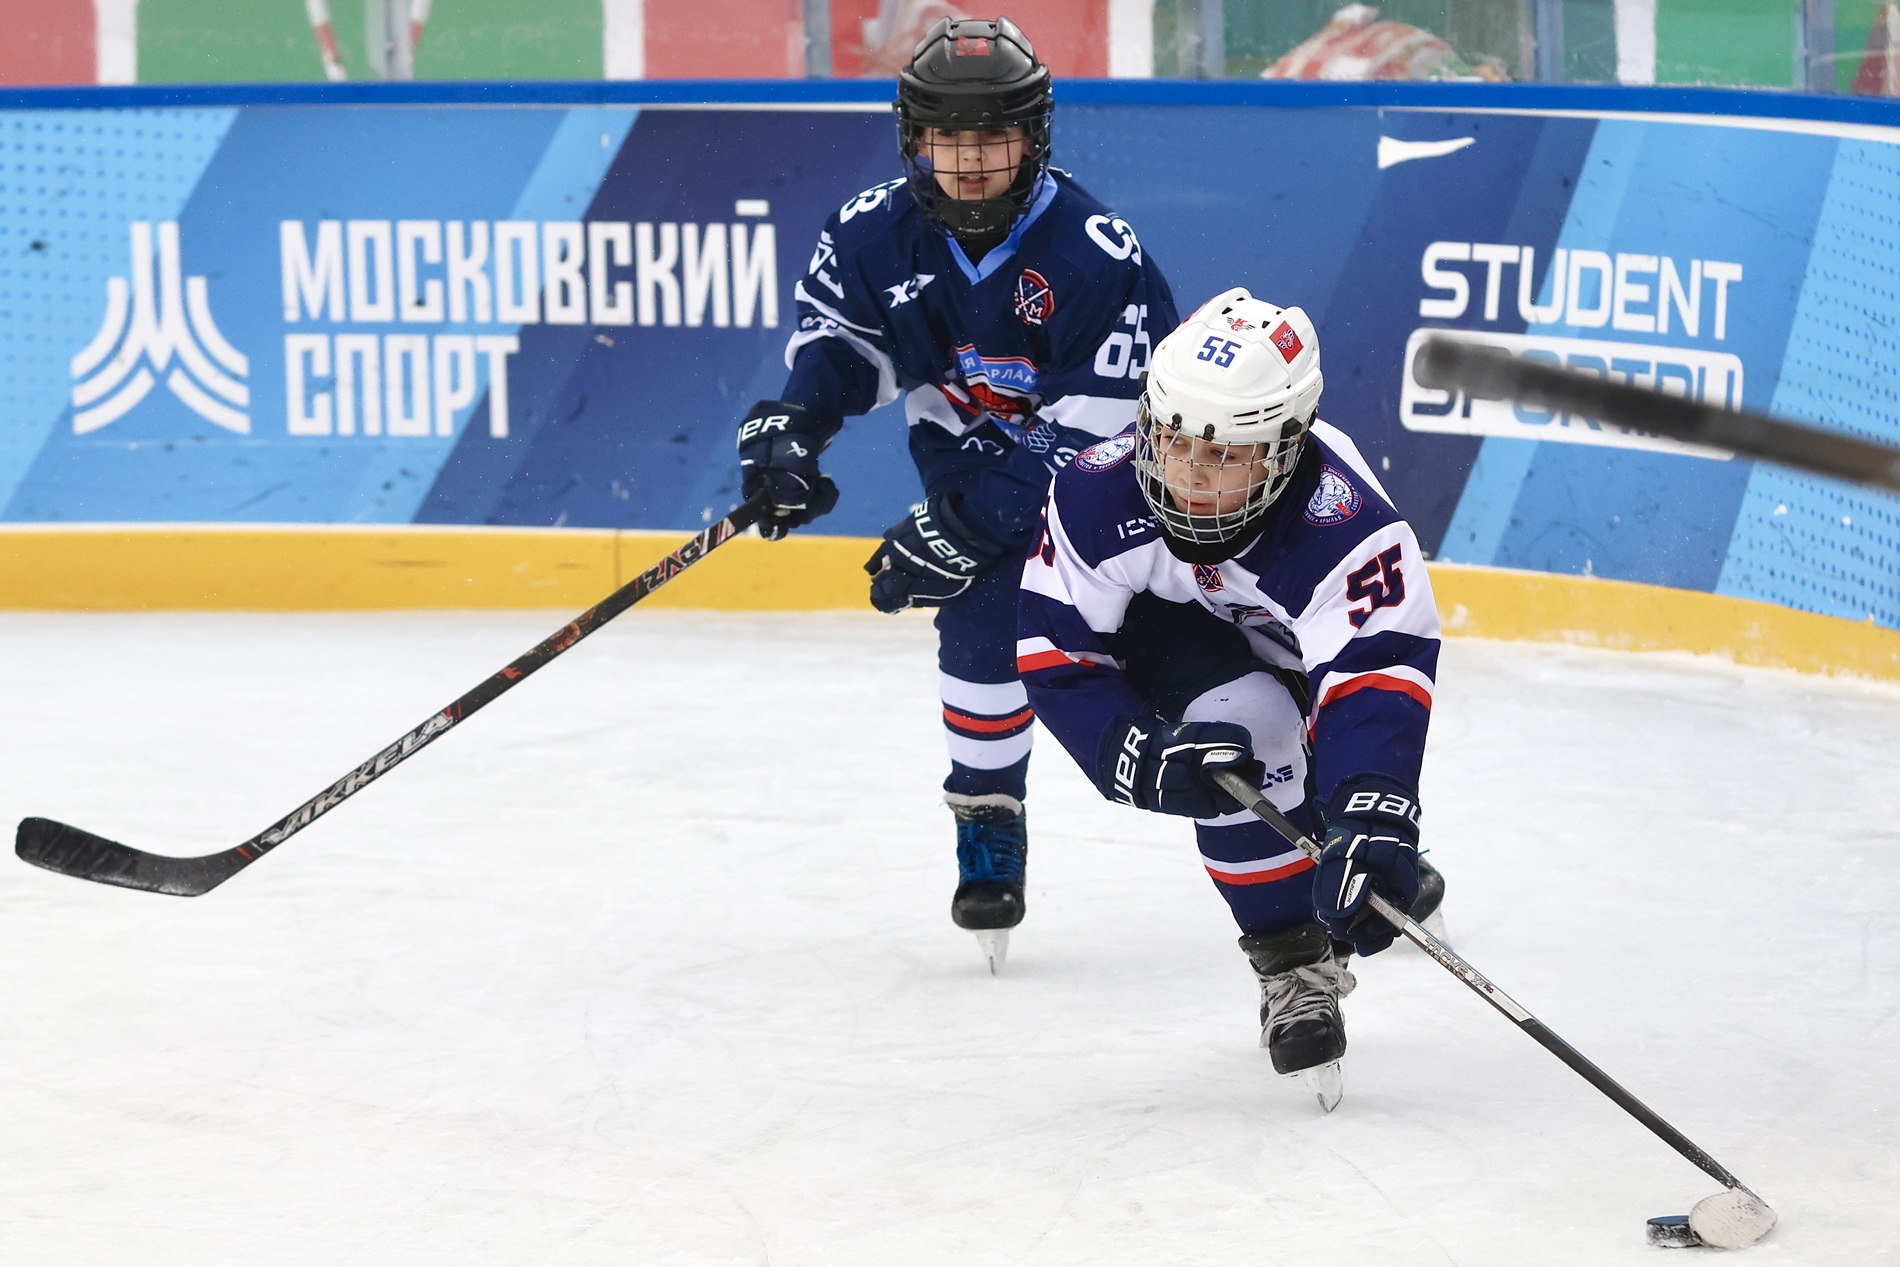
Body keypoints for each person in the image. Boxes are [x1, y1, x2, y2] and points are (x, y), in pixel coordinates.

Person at [735, 16, 1178, 968]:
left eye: (993, 138)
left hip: (1131, 498)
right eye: (948, 139)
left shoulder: (1095, 253)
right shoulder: (872, 232)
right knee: (979, 619)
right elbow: (843, 348)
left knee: (1183, 655)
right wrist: (795, 427)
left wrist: (968, 522)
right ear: (915, 140)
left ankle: (1338, 825)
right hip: (972, 463)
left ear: (1034, 138)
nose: (970, 161)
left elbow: (1101, 441)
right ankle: (988, 819)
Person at [1017, 287, 1445, 1102]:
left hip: (1298, 653)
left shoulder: (1350, 528)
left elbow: (1373, 674)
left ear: (1288, 447)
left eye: (1223, 456)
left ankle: (1346, 838)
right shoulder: (1097, 494)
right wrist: (1130, 752)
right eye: (1173, 441)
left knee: (1332, 787)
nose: (1187, 475)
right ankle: (1293, 964)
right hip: (1174, 640)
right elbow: (1053, 645)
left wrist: (1373, 804)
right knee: (1246, 735)